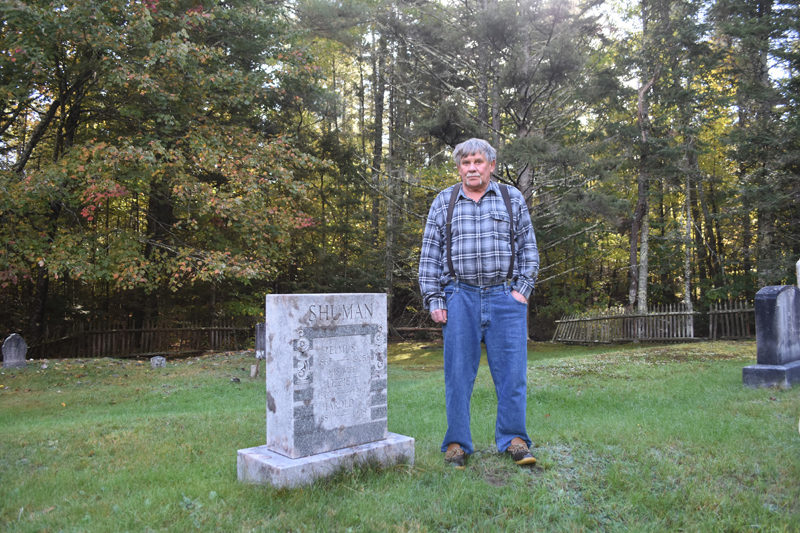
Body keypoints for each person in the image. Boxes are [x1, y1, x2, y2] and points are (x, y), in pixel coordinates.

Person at [418, 138, 539, 467]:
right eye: (466, 163)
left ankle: (514, 440)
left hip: (505, 299)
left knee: (512, 374)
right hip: (460, 298)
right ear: (459, 168)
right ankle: (457, 444)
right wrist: (434, 299)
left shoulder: (510, 198)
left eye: (478, 162)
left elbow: (528, 250)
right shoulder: (445, 201)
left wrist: (521, 292)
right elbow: (429, 256)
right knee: (457, 376)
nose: (472, 168)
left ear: (491, 165)